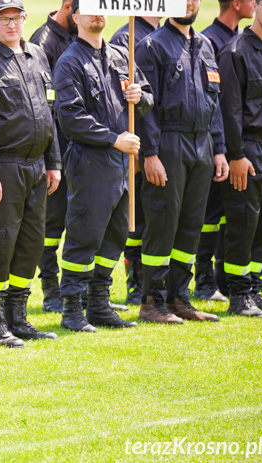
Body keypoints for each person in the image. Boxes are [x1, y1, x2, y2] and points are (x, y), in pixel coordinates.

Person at [0, 0, 61, 347]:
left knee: (31, 243)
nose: (11, 24)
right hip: (4, 166)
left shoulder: (37, 55)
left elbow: (48, 112)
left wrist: (54, 162)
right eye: (3, 18)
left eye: (16, 17)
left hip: (37, 166)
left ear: (25, 19)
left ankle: (19, 318)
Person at [54, 0, 151, 332]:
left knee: (114, 235)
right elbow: (70, 118)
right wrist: (113, 139)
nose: (97, 15)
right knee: (84, 233)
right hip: (90, 160)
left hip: (121, 163)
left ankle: (99, 304)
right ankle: (72, 309)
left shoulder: (122, 56)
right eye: (89, 10)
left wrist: (141, 97)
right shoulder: (69, 62)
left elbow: (148, 99)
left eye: (101, 8)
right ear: (75, 16)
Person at [136, 0, 228, 323]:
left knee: (190, 224)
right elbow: (146, 108)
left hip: (202, 143)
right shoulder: (152, 46)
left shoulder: (205, 45)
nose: (188, 3)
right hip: (169, 143)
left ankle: (179, 299)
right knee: (162, 222)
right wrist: (151, 153)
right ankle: (151, 301)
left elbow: (214, 100)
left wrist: (218, 148)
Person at [194, 0, 260, 303]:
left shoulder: (242, 40)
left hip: (228, 143)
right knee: (209, 214)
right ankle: (203, 281)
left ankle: (220, 277)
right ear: (237, 3)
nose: (255, 5)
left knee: (225, 215)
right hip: (211, 144)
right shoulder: (212, 42)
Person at [218, 0, 262, 318]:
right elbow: (229, 110)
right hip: (247, 148)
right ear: (255, 6)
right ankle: (238, 293)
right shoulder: (235, 52)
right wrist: (236, 155)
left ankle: (252, 286)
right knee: (242, 223)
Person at [30, 0, 79, 313]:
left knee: (74, 219)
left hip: (79, 144)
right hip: (56, 143)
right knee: (51, 223)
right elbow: (42, 104)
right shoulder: (43, 42)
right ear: (67, 7)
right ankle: (50, 288)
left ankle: (75, 288)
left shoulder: (78, 35)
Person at [110, 15, 162, 305]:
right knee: (135, 220)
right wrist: (141, 151)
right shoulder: (125, 38)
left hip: (169, 144)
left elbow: (148, 97)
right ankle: (134, 284)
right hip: (138, 146)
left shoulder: (166, 34)